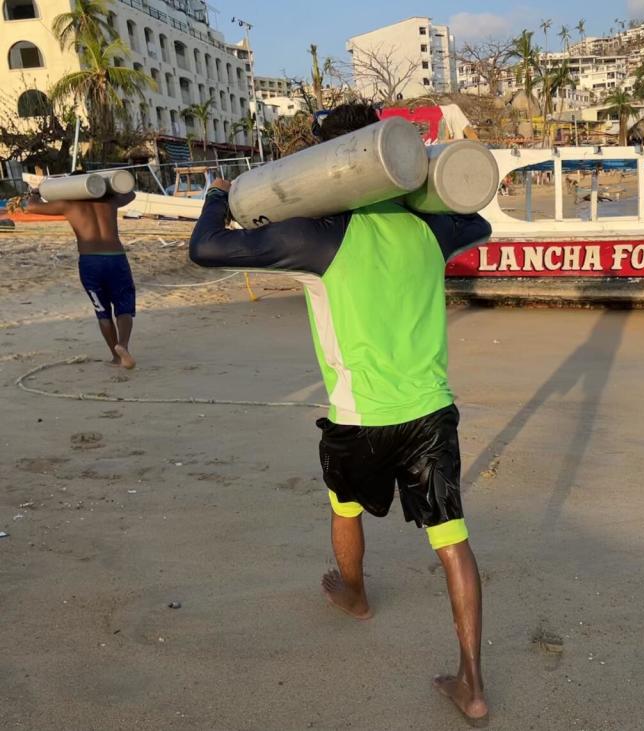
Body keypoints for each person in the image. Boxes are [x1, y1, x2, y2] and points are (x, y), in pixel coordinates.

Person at [189, 102, 492, 725]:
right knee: (452, 539)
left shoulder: (315, 237)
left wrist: (217, 197)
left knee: (344, 505)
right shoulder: (431, 230)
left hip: (357, 416)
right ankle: (472, 683)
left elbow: (207, 249)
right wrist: (425, 194)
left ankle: (354, 595)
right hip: (431, 410)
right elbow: (477, 221)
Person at [21, 183, 137, 368]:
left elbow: (31, 206)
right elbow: (130, 193)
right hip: (116, 258)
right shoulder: (109, 201)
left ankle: (115, 357)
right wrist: (109, 185)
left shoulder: (69, 205)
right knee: (123, 306)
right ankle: (123, 346)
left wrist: (35, 192)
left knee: (102, 311)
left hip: (90, 261)